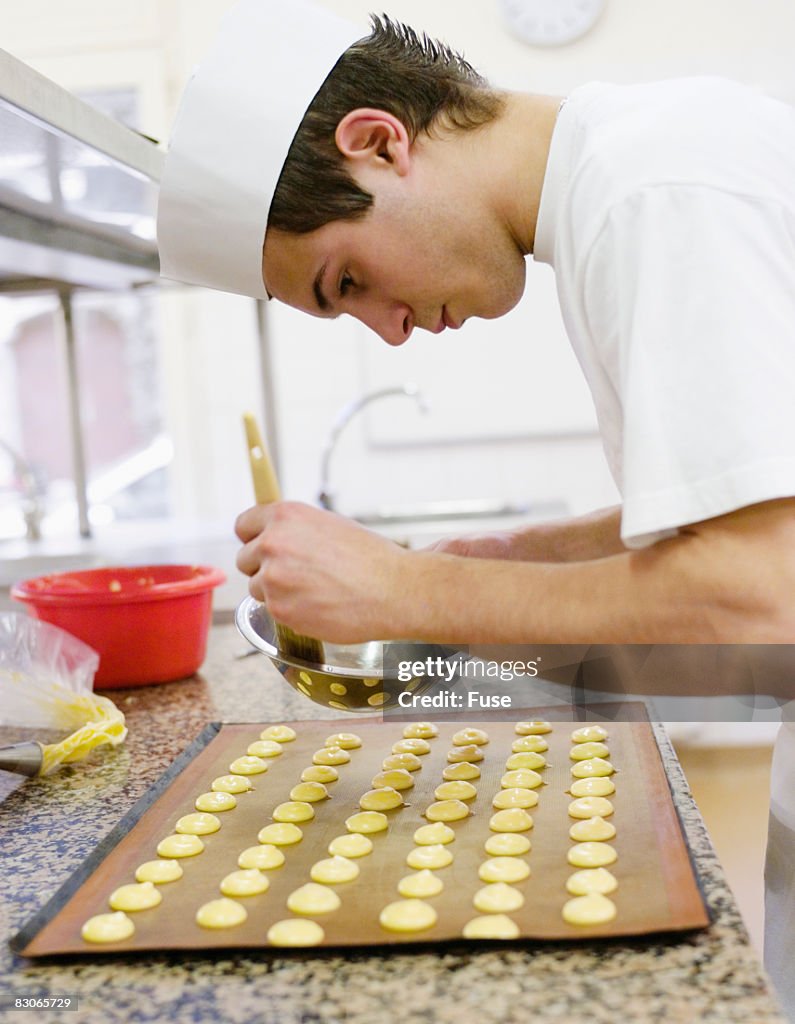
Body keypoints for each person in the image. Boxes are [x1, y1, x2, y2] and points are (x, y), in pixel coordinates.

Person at [157, 1, 794, 1017]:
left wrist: (406, 588)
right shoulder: (629, 176)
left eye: (350, 279)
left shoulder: (652, 193)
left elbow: (763, 601)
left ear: (379, 142)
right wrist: (509, 552)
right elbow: (748, 515)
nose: (392, 331)